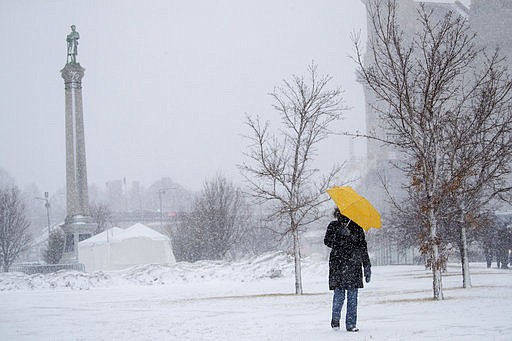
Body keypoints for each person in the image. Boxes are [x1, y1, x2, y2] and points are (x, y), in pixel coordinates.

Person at [324, 207, 371, 332]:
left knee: (353, 297)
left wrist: (367, 265)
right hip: (338, 266)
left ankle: (351, 324)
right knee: (339, 296)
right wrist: (338, 234)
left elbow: (363, 247)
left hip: (354, 266)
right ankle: (335, 321)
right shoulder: (333, 226)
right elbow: (327, 242)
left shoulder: (357, 227)